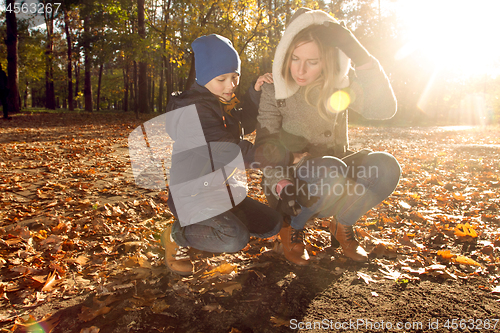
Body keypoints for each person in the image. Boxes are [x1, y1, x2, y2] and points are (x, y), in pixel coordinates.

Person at [254, 8, 401, 265]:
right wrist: (282, 184)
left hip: (334, 176)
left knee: (386, 167)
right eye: (295, 58)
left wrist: (361, 57)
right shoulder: (274, 88)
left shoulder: (340, 84)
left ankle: (342, 225)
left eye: (312, 62)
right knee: (330, 170)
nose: (300, 70)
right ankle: (292, 227)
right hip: (289, 183)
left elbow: (384, 109)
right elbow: (265, 147)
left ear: (328, 61)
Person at [162, 34, 281, 275]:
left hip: (221, 191)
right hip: (193, 196)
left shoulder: (217, 102)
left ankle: (218, 221)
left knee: (272, 224)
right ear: (204, 78)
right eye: (222, 79)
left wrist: (254, 93)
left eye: (235, 78)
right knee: (234, 238)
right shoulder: (193, 111)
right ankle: (177, 234)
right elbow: (231, 149)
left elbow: (244, 123)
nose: (230, 85)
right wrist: (280, 157)